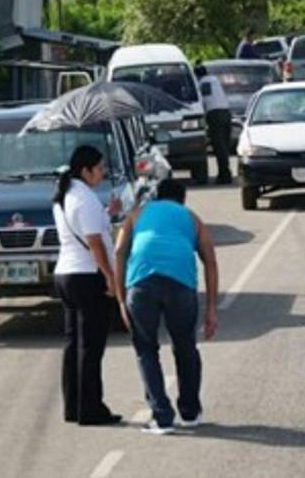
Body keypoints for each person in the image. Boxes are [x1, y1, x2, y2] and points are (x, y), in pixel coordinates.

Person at [114, 179, 219, 435]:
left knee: (146, 349)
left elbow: (119, 252)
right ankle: (190, 412)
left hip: (141, 283)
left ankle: (162, 417)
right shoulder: (191, 218)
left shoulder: (137, 213)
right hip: (181, 284)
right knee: (185, 347)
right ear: (182, 200)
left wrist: (120, 298)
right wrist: (211, 309)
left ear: (156, 197)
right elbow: (210, 261)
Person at [52, 145, 125, 426]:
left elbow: (87, 228)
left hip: (66, 274)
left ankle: (73, 406)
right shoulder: (84, 199)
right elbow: (94, 242)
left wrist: (109, 210)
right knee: (91, 347)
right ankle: (91, 409)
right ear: (86, 170)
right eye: (100, 168)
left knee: (74, 344)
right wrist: (109, 275)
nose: (103, 173)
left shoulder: (66, 195)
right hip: (86, 276)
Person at [194, 63, 233, 185]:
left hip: (215, 114)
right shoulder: (214, 80)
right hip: (226, 111)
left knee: (219, 146)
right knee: (225, 146)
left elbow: (203, 102)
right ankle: (225, 172)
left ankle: (225, 175)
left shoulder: (201, 84)